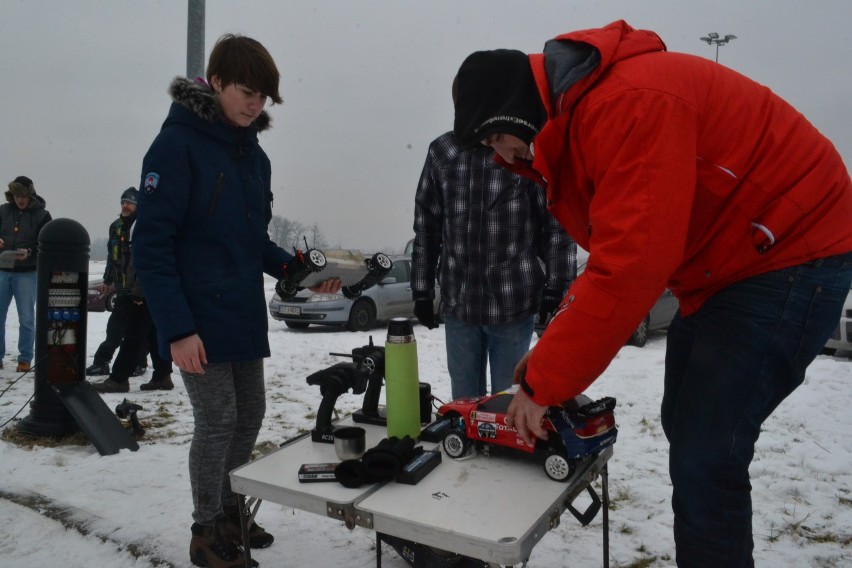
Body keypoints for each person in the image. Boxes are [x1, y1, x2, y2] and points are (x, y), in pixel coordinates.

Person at [451, 20, 852, 567]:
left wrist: (546, 381)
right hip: (734, 263)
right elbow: (616, 254)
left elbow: (632, 262)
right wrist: (548, 360)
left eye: (497, 137)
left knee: (707, 450)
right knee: (687, 426)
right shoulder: (586, 117)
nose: (504, 153)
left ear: (513, 111)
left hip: (788, 253)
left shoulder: (628, 105)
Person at [132, 33, 341, 568]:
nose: (256, 105)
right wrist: (177, 329)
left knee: (250, 413)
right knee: (218, 420)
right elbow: (151, 247)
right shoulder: (176, 146)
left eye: (264, 97)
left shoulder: (254, 156)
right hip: (195, 318)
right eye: (247, 91)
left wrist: (301, 274)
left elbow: (253, 243)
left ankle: (230, 511)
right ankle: (206, 532)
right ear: (217, 81)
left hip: (241, 312)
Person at [411, 131, 575, 399]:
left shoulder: (520, 148)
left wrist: (557, 288)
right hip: (459, 307)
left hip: (513, 307)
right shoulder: (442, 152)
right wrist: (421, 291)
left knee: (508, 406)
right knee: (464, 406)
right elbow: (426, 227)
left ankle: (505, 442)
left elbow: (556, 226)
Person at [90, 210, 174, 393]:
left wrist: (137, 292)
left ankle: (119, 379)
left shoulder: (149, 224)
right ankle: (162, 376)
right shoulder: (150, 222)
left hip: (144, 291)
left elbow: (146, 262)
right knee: (153, 333)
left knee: (133, 337)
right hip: (149, 290)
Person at [86, 187, 148, 378]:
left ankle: (140, 363)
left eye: (129, 202)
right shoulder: (116, 226)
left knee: (139, 328)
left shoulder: (143, 225)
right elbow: (112, 256)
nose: (125, 206)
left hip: (139, 286)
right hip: (121, 285)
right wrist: (107, 279)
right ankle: (102, 362)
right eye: (122, 202)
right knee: (115, 327)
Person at [0, 176, 52, 373]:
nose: (19, 200)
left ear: (30, 195)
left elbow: (46, 244)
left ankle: (25, 358)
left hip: (27, 273)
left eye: (23, 195)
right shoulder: (3, 211)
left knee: (27, 318)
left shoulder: (43, 216)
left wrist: (29, 252)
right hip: (2, 271)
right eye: (16, 196)